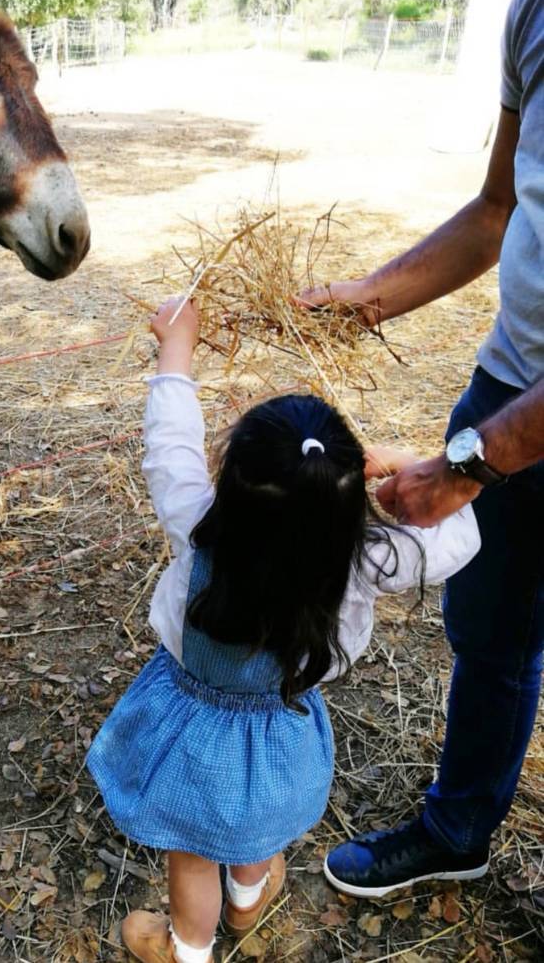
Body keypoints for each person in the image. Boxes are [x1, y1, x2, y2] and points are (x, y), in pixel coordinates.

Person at [86, 297, 480, 963]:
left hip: (190, 735)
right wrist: (411, 462)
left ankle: (187, 948)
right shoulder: (370, 555)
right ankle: (248, 900)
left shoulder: (194, 518)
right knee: (255, 824)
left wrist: (176, 348)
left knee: (192, 853)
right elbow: (460, 536)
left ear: (232, 481)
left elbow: (170, 442)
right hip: (279, 736)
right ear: (351, 497)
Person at [299, 0, 543, 898]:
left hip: (504, 430)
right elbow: (497, 209)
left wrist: (469, 463)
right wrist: (363, 300)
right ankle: (460, 827)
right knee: (491, 630)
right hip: (513, 377)